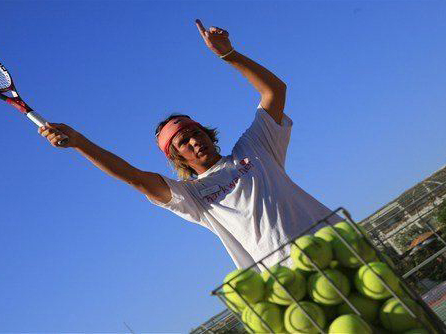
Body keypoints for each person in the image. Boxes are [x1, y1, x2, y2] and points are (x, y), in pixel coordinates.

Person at [39, 19, 337, 271]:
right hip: (288, 280)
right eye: (183, 141)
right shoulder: (191, 197)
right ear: (176, 156)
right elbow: (134, 178)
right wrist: (79, 142)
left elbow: (274, 90)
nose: (195, 140)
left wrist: (229, 55)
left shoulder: (256, 148)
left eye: (196, 132)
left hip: (337, 246)